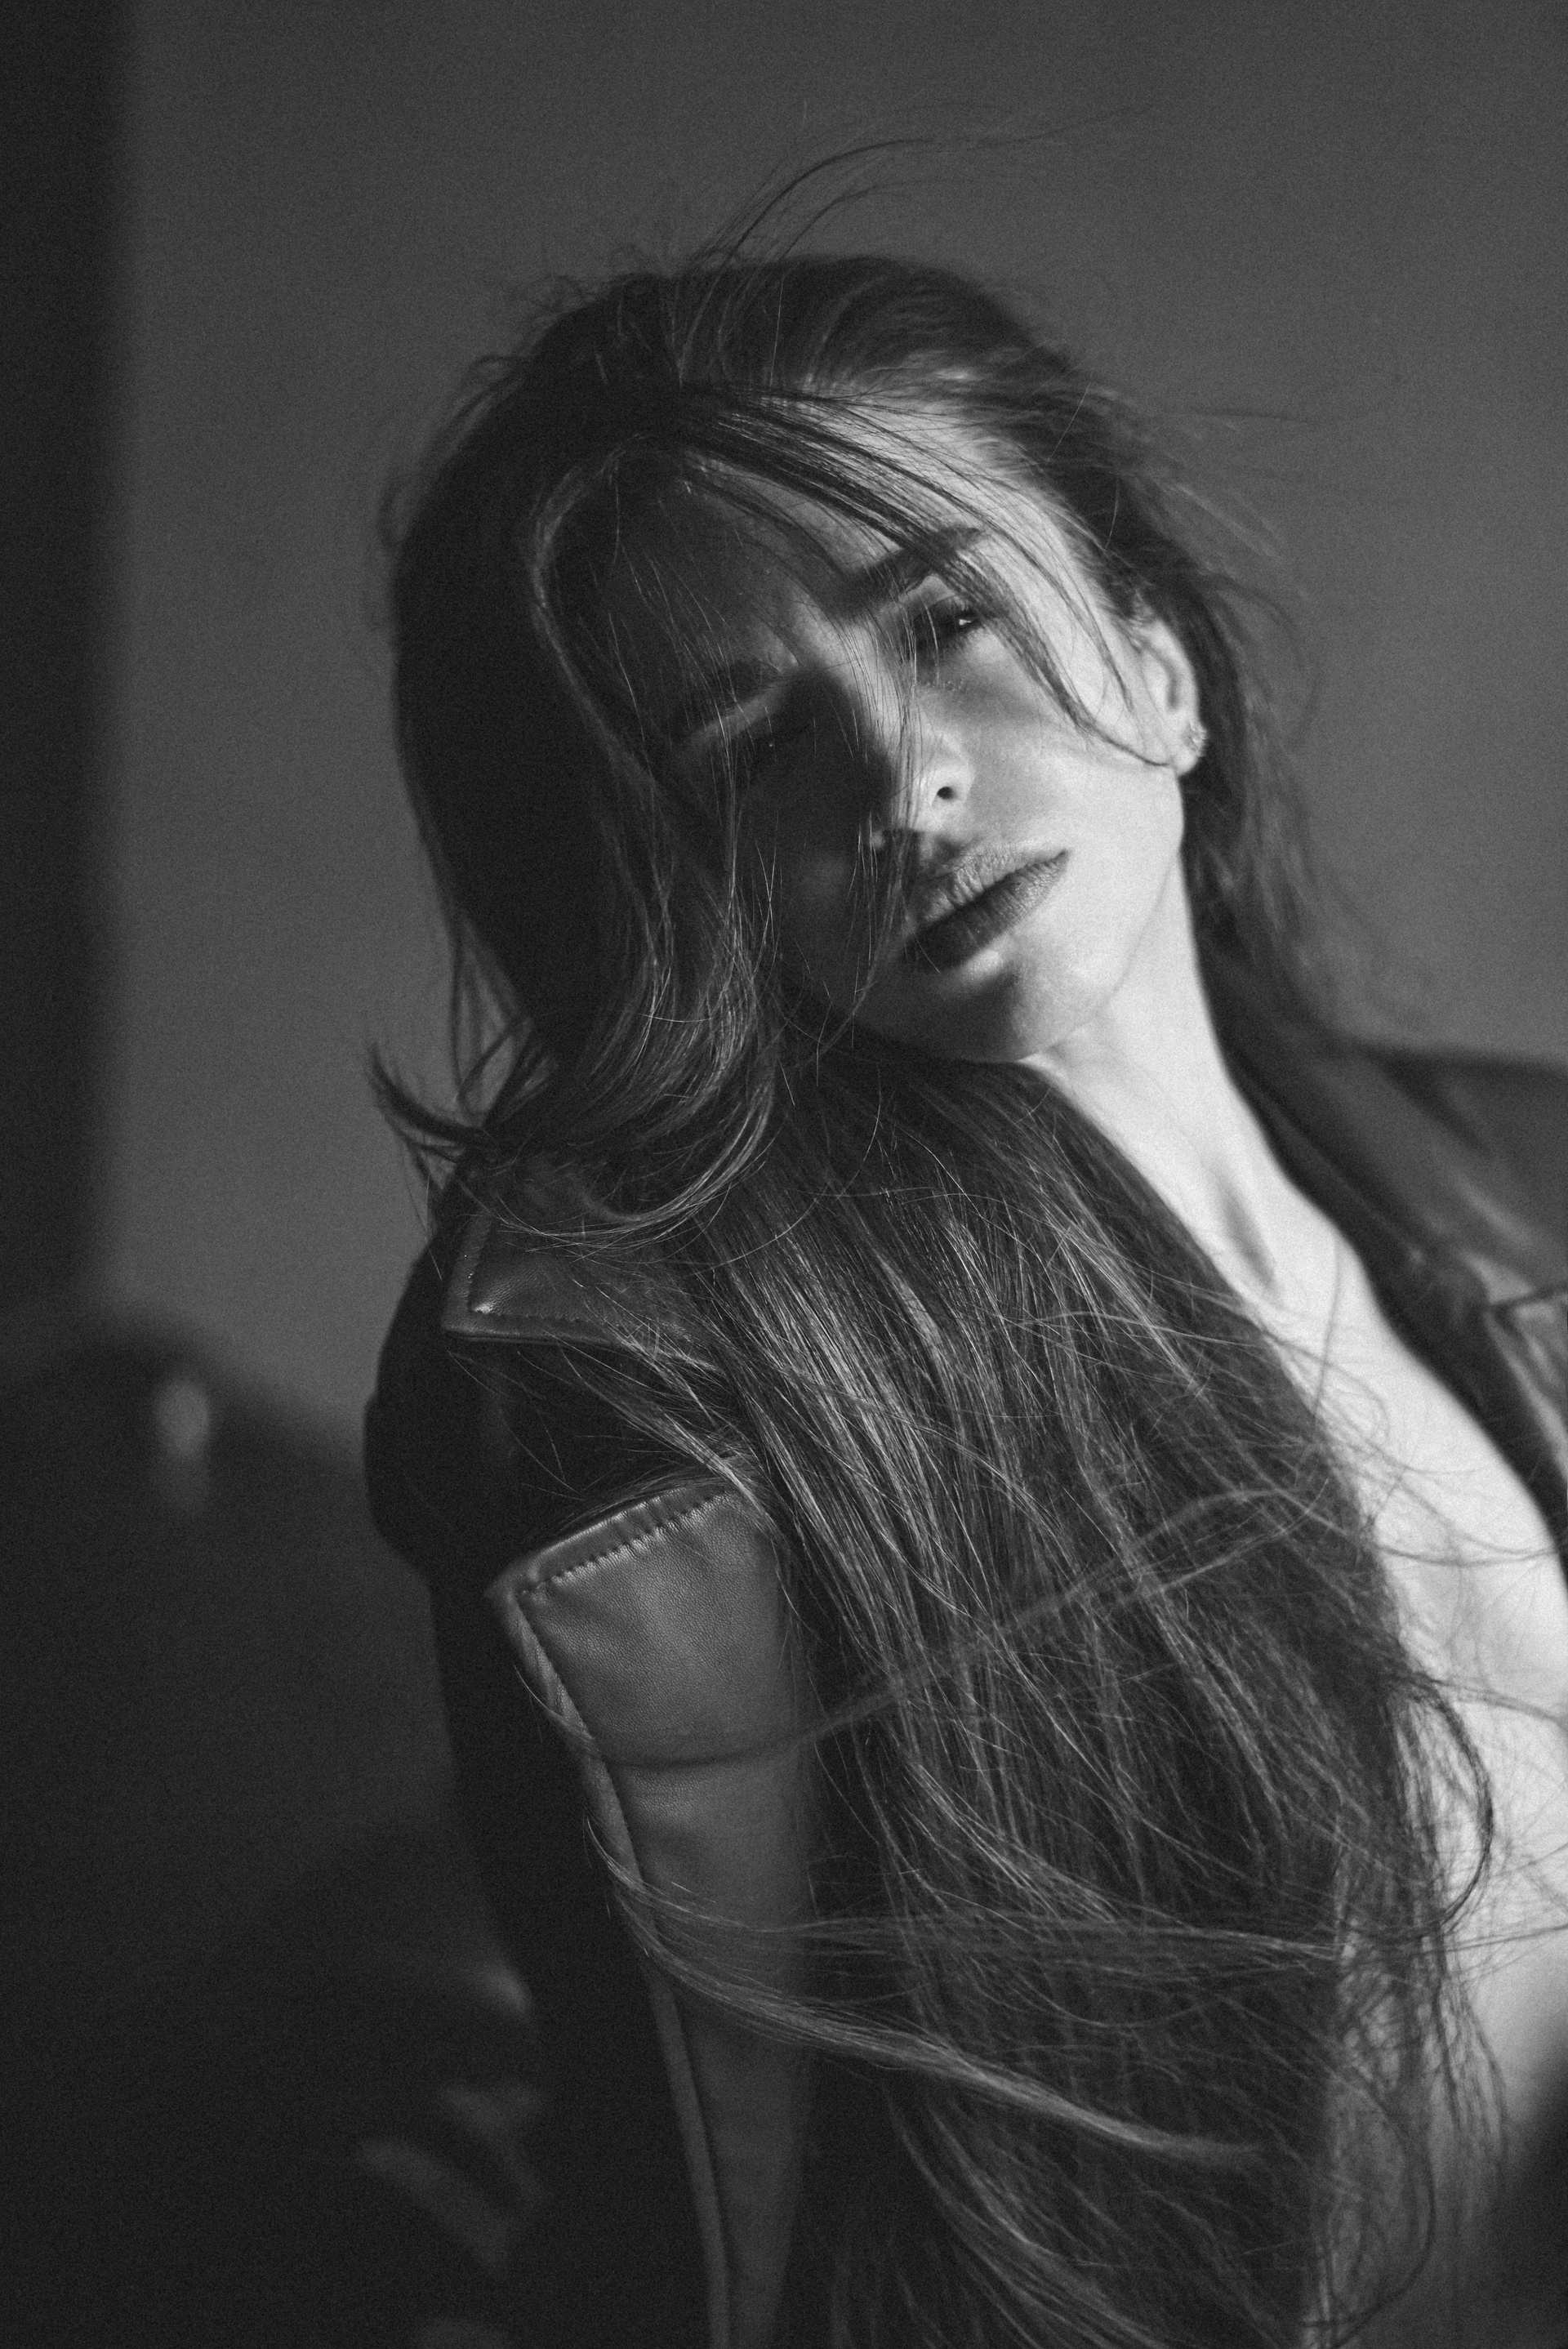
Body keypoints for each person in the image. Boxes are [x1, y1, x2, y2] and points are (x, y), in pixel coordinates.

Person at [364, 242, 1568, 2349]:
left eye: (944, 622)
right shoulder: (701, 1425)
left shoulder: (1526, 1186)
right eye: (752, 751)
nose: (904, 780)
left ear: (1159, 666)